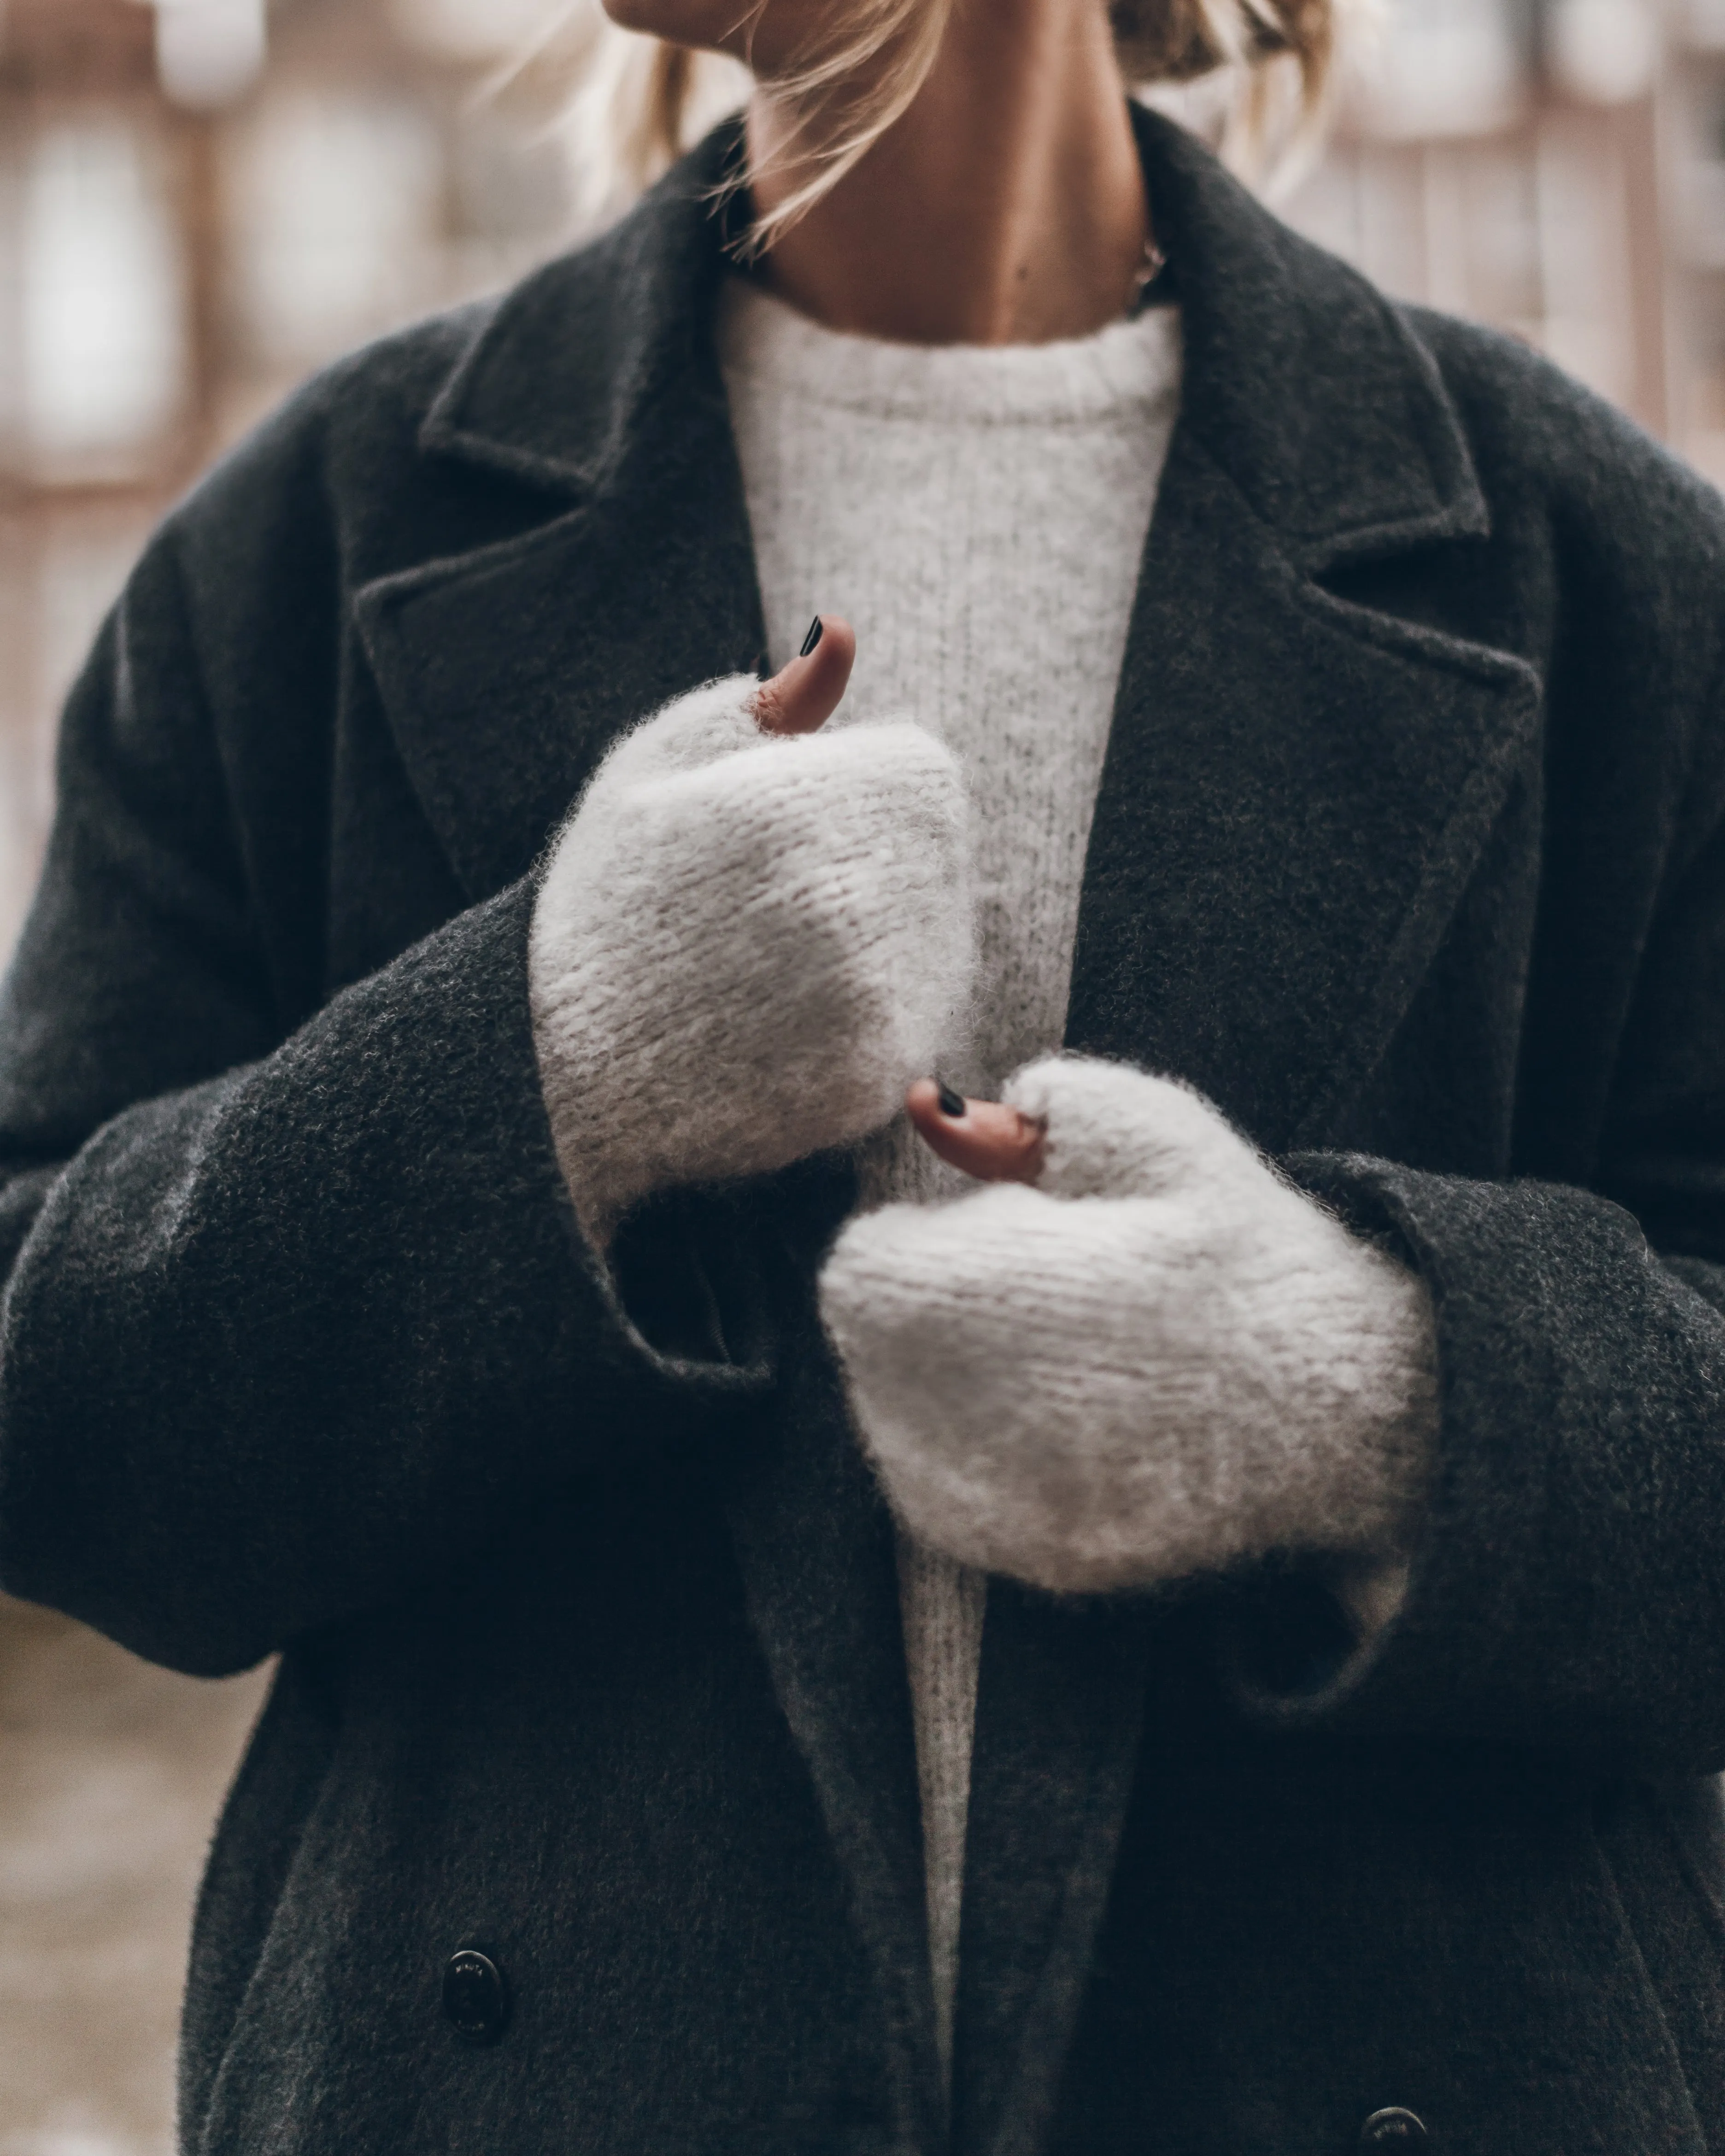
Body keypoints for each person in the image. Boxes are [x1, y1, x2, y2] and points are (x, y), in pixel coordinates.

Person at [0, 0, 1722, 2146]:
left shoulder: (1614, 577)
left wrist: (1365, 1392)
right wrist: (550, 1066)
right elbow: (50, 1416)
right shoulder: (299, 552)